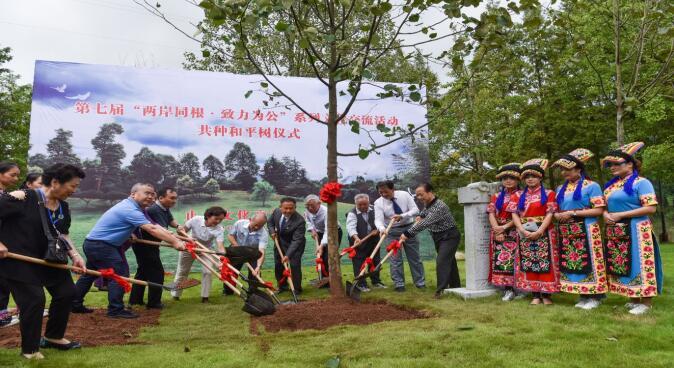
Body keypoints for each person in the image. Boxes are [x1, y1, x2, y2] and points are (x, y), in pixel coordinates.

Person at [0, 163, 87, 360]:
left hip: (49, 257)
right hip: (19, 259)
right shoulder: (24, 197)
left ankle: (53, 337)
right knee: (34, 299)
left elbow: (62, 233)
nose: (74, 191)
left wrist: (75, 256)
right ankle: (30, 350)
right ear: (55, 182)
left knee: (67, 292)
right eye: (72, 186)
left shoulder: (63, 206)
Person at [72, 183, 185, 319]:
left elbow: (155, 226)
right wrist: (175, 242)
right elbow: (152, 229)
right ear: (133, 194)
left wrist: (173, 237)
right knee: (120, 274)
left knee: (89, 275)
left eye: (152, 194)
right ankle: (115, 310)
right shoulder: (130, 209)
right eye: (146, 193)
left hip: (95, 244)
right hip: (102, 246)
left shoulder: (133, 207)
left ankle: (74, 304)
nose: (150, 196)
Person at [601, 142, 662, 315]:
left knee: (641, 262)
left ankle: (647, 302)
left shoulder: (642, 183)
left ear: (630, 164)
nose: (612, 167)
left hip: (637, 228)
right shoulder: (611, 186)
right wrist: (605, 214)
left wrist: (622, 215)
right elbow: (605, 206)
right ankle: (634, 298)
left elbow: (651, 208)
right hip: (617, 229)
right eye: (610, 165)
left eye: (616, 164)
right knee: (624, 263)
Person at [552, 149, 608, 310]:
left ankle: (595, 296)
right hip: (567, 229)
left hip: (587, 228)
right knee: (574, 262)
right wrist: (557, 215)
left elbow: (598, 210)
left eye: (568, 169)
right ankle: (583, 295)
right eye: (562, 170)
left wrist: (573, 213)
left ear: (578, 169)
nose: (564, 172)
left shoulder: (592, 186)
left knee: (590, 260)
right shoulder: (560, 188)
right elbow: (557, 208)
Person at [507, 159, 560, 305]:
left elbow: (550, 213)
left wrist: (541, 230)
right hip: (525, 231)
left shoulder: (549, 193)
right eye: (527, 176)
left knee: (545, 262)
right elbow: (514, 214)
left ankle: (547, 294)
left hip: (545, 231)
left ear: (540, 177)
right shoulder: (517, 196)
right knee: (529, 262)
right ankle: (535, 294)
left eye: (533, 176)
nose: (530, 179)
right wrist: (521, 229)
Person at [400, 183, 460, 298]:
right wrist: (421, 216)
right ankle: (455, 287)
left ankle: (440, 291)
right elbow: (424, 214)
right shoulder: (428, 204)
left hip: (449, 236)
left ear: (429, 192)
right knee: (450, 262)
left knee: (441, 261)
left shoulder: (439, 206)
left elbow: (425, 223)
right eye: (417, 195)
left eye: (421, 195)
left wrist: (407, 233)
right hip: (438, 236)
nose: (419, 198)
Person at [129, 187, 182, 309]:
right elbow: (159, 230)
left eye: (175, 198)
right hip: (145, 245)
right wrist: (177, 241)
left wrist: (178, 226)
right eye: (172, 198)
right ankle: (154, 302)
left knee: (142, 272)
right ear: (161, 198)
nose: (174, 201)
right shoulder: (155, 209)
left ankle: (135, 300)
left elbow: (170, 221)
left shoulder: (164, 208)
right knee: (157, 272)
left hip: (149, 245)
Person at [374, 180, 424, 292]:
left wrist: (402, 216)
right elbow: (378, 220)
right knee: (395, 259)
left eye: (386, 192)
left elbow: (415, 210)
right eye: (380, 192)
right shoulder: (378, 203)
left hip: (409, 229)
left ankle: (420, 282)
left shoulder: (404, 195)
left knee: (414, 257)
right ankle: (399, 284)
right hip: (391, 232)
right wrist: (382, 229)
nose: (383, 195)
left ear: (392, 189)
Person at [172, 206, 226, 303]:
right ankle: (176, 295)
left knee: (208, 272)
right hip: (189, 247)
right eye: (216, 218)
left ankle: (205, 297)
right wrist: (182, 233)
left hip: (206, 250)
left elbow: (220, 246)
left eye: (220, 220)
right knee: (182, 271)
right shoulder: (196, 219)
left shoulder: (219, 229)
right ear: (209, 216)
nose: (218, 221)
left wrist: (222, 258)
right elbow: (182, 232)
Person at [487, 163, 522, 301]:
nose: (508, 181)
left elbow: (519, 216)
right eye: (505, 178)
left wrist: (504, 228)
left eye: (511, 178)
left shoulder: (522, 195)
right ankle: (508, 290)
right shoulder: (496, 196)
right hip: (498, 230)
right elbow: (491, 212)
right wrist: (497, 229)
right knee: (502, 261)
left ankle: (521, 289)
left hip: (515, 230)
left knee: (517, 260)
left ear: (518, 179)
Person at [346, 193, 384, 292]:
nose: (363, 206)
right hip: (358, 241)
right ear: (356, 204)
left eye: (365, 204)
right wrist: (356, 237)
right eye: (360, 205)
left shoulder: (375, 210)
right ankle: (361, 284)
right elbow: (350, 228)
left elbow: (381, 221)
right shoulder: (352, 213)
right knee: (359, 262)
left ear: (369, 203)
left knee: (375, 261)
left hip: (373, 240)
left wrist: (378, 230)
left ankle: (376, 281)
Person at [268, 197, 306, 293]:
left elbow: (296, 241)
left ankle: (296, 289)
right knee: (278, 264)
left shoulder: (300, 221)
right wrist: (272, 232)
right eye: (285, 208)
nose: (288, 211)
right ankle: (282, 287)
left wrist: (288, 255)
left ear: (295, 208)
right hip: (279, 242)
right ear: (280, 207)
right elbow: (270, 222)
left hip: (295, 245)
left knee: (294, 265)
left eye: (291, 208)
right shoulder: (276, 212)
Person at [0, 162, 21, 328]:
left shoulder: (4, 194)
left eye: (17, 175)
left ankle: (2, 315)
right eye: (12, 174)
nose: (16, 178)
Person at [304, 194, 342, 280]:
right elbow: (308, 220)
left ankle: (331, 279)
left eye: (312, 206)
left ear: (319, 203)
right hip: (319, 232)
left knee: (328, 256)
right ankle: (322, 278)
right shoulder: (307, 211)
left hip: (334, 232)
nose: (310, 208)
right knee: (319, 256)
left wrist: (321, 245)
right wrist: (312, 230)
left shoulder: (326, 212)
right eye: (307, 206)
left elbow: (327, 230)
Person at [228, 211, 268, 276]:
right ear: (250, 220)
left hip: (253, 252)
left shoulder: (264, 233)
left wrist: (258, 266)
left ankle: (253, 285)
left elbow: (261, 251)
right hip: (237, 249)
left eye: (260, 226)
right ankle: (229, 286)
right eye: (256, 225)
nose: (256, 228)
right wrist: (237, 246)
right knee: (231, 272)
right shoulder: (239, 223)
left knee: (255, 273)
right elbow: (230, 235)